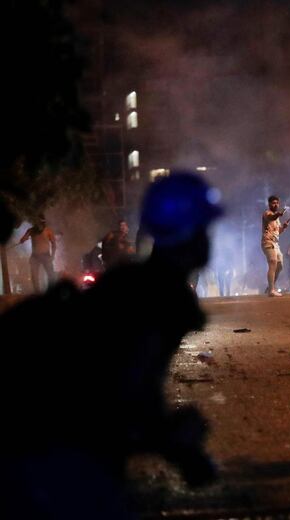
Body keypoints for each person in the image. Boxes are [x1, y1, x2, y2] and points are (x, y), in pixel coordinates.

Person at [0, 172, 220, 518]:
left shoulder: (137, 284)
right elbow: (117, 402)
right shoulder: (159, 298)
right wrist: (176, 442)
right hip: (43, 455)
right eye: (205, 230)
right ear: (189, 236)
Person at [17, 214, 57, 292]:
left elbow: (54, 244)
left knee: (51, 275)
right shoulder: (31, 230)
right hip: (35, 257)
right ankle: (37, 293)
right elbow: (24, 238)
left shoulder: (48, 230)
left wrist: (52, 256)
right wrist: (23, 239)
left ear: (42, 223)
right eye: (36, 222)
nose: (37, 224)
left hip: (46, 255)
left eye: (39, 222)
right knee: (34, 276)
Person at [261, 195, 288, 296]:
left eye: (277, 203)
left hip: (275, 244)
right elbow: (271, 217)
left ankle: (270, 287)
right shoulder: (267, 214)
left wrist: (283, 228)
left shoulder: (277, 219)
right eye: (273, 203)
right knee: (273, 262)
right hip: (267, 242)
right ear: (269, 204)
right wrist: (278, 214)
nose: (275, 204)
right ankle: (272, 290)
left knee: (280, 266)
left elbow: (277, 232)